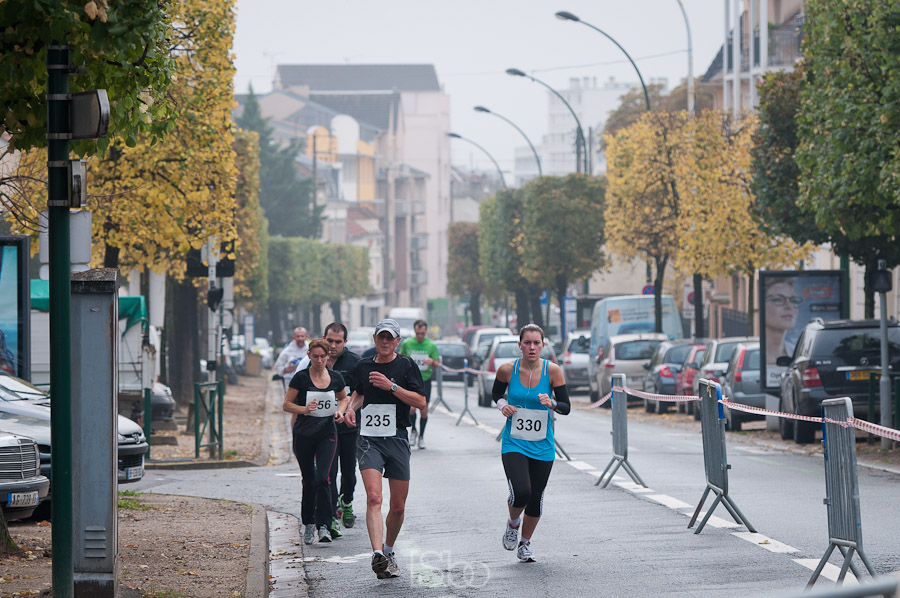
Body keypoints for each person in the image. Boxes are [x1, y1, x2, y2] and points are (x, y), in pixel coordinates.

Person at [345, 319, 425, 579]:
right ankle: (377, 554)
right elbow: (358, 393)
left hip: (398, 438)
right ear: (374, 338)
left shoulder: (406, 365)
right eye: (381, 337)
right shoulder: (363, 365)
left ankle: (389, 550)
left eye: (390, 338)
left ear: (397, 341)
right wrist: (349, 409)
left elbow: (421, 401)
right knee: (374, 498)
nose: (385, 341)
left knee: (399, 506)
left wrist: (391, 386)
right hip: (369, 438)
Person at [491, 324, 570, 563]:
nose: (532, 347)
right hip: (514, 442)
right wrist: (502, 405)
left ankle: (525, 544)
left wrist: (552, 403)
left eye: (537, 343)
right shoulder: (507, 370)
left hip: (543, 445)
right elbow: (495, 394)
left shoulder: (553, 371)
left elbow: (566, 407)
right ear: (520, 345)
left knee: (536, 496)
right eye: (527, 343)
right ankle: (513, 523)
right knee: (521, 492)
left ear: (543, 345)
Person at [282, 338, 349, 545]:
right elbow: (286, 404)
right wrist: (304, 409)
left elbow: (344, 398)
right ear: (309, 356)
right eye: (315, 356)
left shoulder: (336, 377)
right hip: (303, 434)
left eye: (323, 356)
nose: (319, 360)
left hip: (327, 433)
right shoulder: (301, 378)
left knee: (323, 478)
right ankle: (309, 523)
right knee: (309, 480)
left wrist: (340, 412)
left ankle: (324, 525)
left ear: (328, 356)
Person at [323, 322, 362, 532]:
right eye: (329, 340)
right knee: (329, 471)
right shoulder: (317, 361)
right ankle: (330, 514)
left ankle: (346, 502)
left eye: (338, 341)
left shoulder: (355, 363)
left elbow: (360, 392)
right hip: (324, 428)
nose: (333, 345)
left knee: (349, 472)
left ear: (345, 342)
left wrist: (350, 408)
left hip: (348, 427)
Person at [399, 319, 439, 449]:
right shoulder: (407, 343)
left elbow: (437, 364)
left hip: (425, 380)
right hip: (411, 380)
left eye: (422, 333)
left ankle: (421, 436)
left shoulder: (431, 345)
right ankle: (413, 431)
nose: (420, 336)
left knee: (424, 410)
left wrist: (432, 361)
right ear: (414, 331)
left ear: (426, 331)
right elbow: (400, 357)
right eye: (418, 333)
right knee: (411, 408)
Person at [273, 327, 309, 391]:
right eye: (298, 336)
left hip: (307, 382)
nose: (300, 338)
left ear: (306, 337)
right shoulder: (287, 351)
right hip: (290, 382)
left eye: (302, 336)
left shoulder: (310, 349)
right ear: (294, 337)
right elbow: (278, 366)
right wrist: (287, 370)